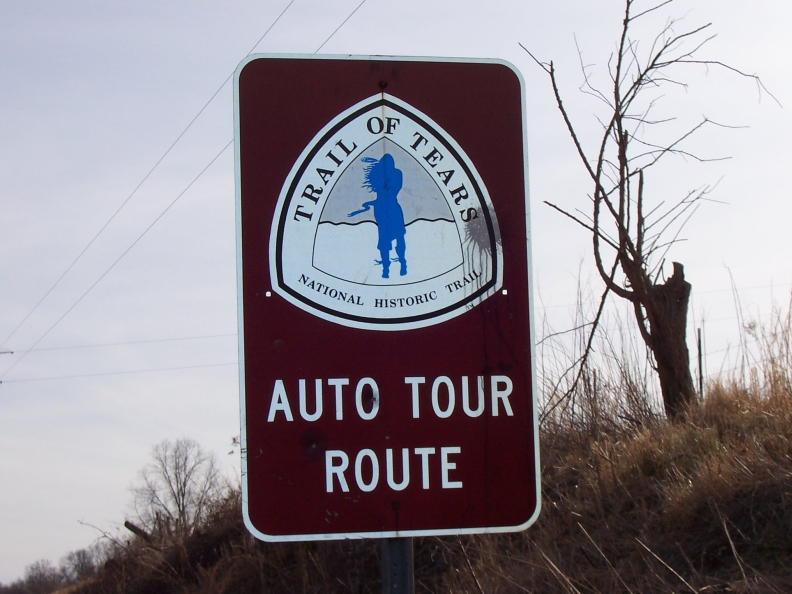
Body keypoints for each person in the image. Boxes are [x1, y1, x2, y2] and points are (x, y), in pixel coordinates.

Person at [348, 153, 407, 278]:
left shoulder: (397, 174)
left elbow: (391, 192)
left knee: (399, 236)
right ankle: (386, 268)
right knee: (384, 241)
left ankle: (403, 263)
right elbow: (380, 193)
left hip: (393, 209)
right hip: (381, 211)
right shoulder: (379, 175)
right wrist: (370, 202)